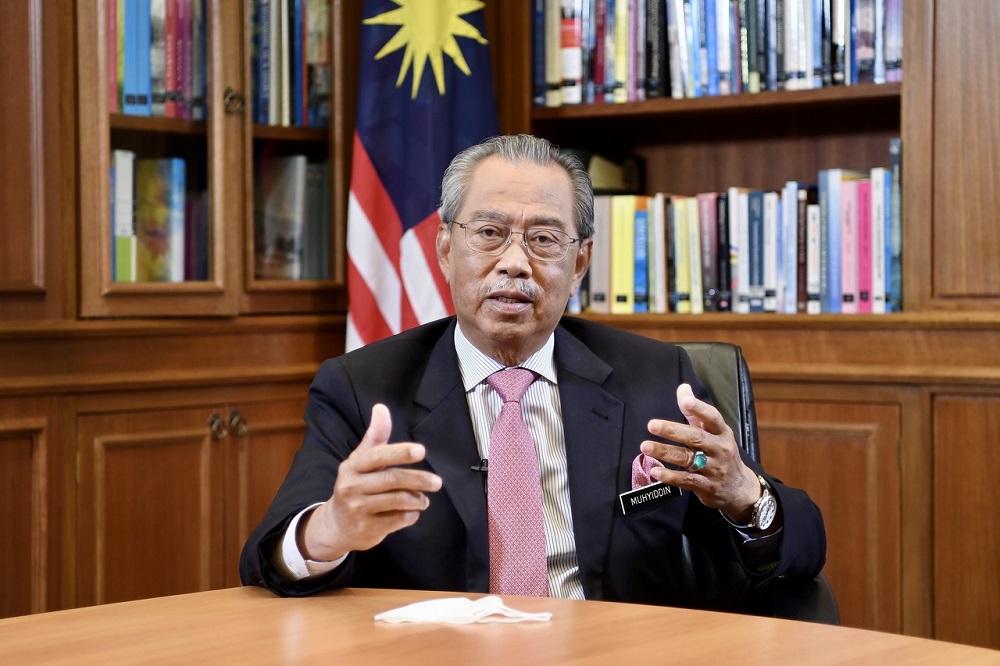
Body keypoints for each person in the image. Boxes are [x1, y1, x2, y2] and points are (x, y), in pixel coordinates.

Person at [240, 134, 827, 611]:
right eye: (490, 233)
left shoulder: (655, 378)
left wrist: (747, 497)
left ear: (580, 261)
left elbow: (800, 555)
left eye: (544, 239)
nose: (515, 263)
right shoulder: (363, 389)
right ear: (446, 249)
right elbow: (268, 560)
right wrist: (331, 530)